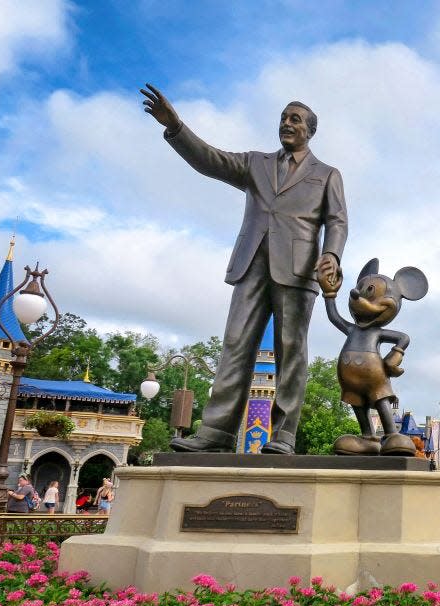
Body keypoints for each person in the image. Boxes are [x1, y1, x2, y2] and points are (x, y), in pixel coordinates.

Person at [140, 85, 347, 455]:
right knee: (235, 345)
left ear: (310, 130)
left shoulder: (327, 174)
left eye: (295, 119)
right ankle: (217, 432)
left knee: (291, 351)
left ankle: (283, 435)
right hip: (251, 264)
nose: (286, 123)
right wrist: (176, 128)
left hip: (299, 272)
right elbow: (211, 160)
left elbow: (338, 221)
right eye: (283, 117)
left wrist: (331, 254)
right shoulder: (256, 163)